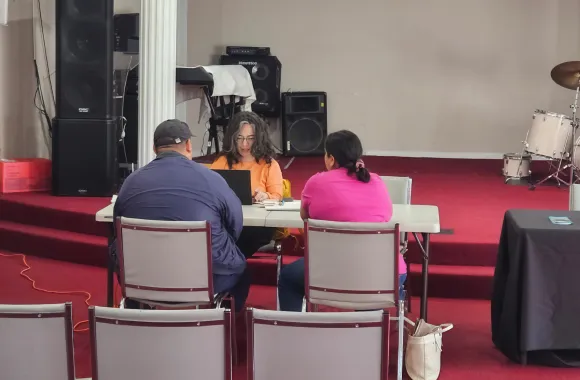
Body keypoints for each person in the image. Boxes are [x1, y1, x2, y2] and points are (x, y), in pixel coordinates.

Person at [113, 119, 250, 311]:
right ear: (188, 145)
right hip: (205, 280)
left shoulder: (130, 182)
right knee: (240, 268)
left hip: (141, 278)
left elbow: (116, 229)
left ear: (154, 148)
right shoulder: (212, 179)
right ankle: (221, 330)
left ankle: (138, 317)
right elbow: (235, 225)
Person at [277, 130, 407, 312]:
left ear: (330, 158)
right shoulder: (377, 182)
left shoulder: (316, 183)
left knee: (289, 277)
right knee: (366, 280)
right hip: (383, 275)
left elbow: (305, 217)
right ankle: (371, 327)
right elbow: (386, 216)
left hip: (330, 272)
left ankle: (291, 332)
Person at [210, 111, 283, 258]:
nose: (245, 144)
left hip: (256, 225)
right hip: (228, 220)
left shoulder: (269, 164)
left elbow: (278, 196)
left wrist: (265, 196)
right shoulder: (223, 162)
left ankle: (231, 263)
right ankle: (231, 264)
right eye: (240, 138)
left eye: (250, 139)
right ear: (232, 139)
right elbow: (208, 189)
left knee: (243, 236)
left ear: (259, 139)